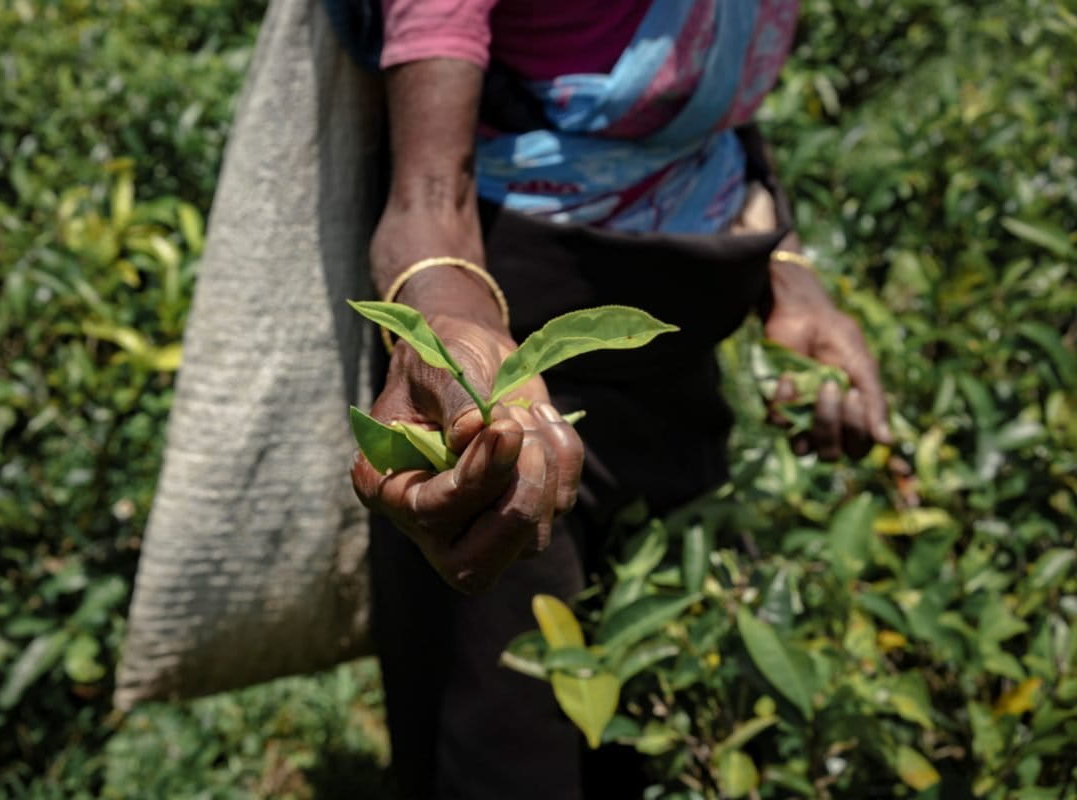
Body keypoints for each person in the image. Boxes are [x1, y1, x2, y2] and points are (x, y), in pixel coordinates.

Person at [345, 1, 891, 797]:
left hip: (680, 354)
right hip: (507, 339)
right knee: (508, 742)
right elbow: (430, 193)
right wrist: (446, 328)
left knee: (667, 720)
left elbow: (712, 109)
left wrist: (788, 266)